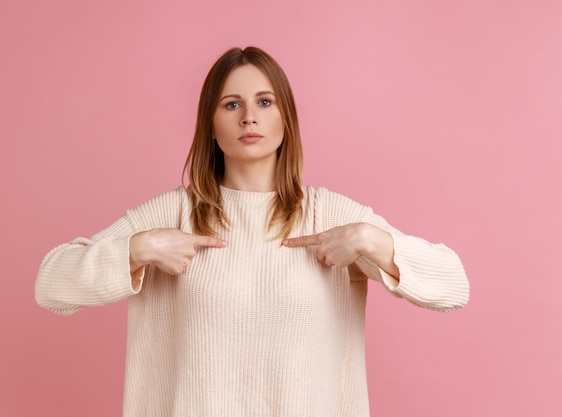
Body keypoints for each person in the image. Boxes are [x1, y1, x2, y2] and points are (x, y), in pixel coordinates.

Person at [35, 46, 469, 417]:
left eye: (264, 102)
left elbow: (454, 287)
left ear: (286, 120)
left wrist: (373, 242)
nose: (248, 118)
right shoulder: (173, 213)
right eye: (231, 104)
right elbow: (51, 285)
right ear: (210, 123)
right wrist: (138, 249)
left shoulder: (328, 214)